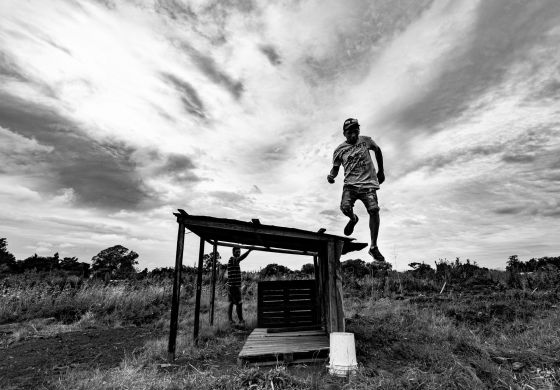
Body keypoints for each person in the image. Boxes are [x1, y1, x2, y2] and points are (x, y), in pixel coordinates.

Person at [327, 118, 386, 261]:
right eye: (350, 132)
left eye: (356, 131)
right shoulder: (339, 150)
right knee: (345, 207)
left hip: (368, 185)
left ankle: (373, 247)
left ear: (359, 130)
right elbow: (335, 168)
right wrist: (331, 176)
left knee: (374, 210)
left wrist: (381, 171)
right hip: (350, 186)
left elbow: (378, 151)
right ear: (344, 133)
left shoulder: (366, 141)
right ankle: (353, 219)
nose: (353, 135)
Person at [227, 246, 252, 325]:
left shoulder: (235, 261)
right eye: (237, 252)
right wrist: (248, 251)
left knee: (231, 303)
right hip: (233, 286)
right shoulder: (233, 259)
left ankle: (230, 320)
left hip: (231, 286)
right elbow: (240, 258)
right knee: (239, 303)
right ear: (233, 252)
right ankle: (241, 321)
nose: (238, 253)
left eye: (239, 252)